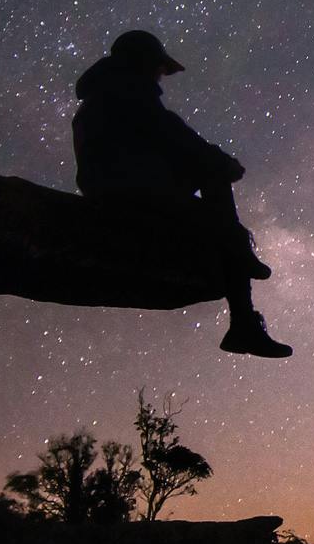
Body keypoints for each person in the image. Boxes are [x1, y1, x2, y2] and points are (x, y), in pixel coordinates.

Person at [72, 29, 291, 357]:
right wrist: (222, 162)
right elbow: (175, 137)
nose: (161, 76)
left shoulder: (108, 95)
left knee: (212, 183)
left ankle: (241, 306)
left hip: (118, 183)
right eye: (159, 68)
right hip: (126, 189)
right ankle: (243, 319)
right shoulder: (130, 94)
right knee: (216, 196)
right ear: (143, 63)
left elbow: (168, 140)